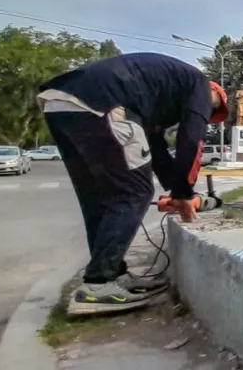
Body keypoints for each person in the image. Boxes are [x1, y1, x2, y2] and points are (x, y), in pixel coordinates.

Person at [37, 52, 229, 316]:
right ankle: (98, 286)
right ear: (214, 95)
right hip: (102, 102)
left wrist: (175, 188)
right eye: (212, 110)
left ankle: (110, 273)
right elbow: (191, 139)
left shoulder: (161, 94)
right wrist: (184, 193)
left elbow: (156, 147)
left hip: (61, 101)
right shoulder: (199, 84)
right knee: (135, 192)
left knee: (100, 196)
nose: (207, 113)